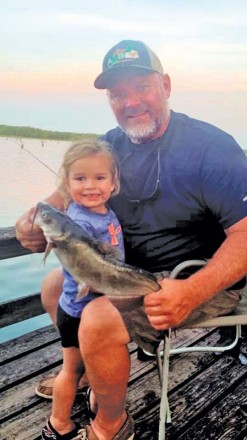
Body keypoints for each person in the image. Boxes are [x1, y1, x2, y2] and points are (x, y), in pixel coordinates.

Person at [16, 40, 247, 440]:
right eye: (118, 93)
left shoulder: (212, 147)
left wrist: (190, 291)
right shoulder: (111, 144)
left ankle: (112, 424)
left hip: (195, 278)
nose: (130, 102)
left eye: (142, 87)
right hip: (124, 270)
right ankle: (86, 375)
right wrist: (36, 215)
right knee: (54, 285)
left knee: (99, 319)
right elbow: (68, 188)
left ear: (166, 86)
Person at [41, 139, 126, 439]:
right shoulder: (78, 222)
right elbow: (87, 270)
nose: (91, 186)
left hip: (83, 308)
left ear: (114, 183)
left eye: (100, 178)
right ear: (66, 183)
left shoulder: (102, 212)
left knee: (84, 367)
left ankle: (84, 405)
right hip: (79, 311)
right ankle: (58, 424)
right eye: (80, 179)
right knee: (71, 371)